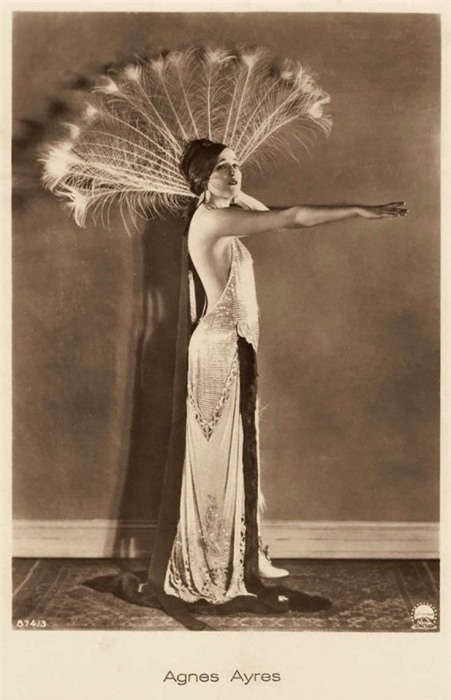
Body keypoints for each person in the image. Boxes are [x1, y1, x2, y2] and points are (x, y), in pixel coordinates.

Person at [139, 138, 407, 623]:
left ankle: (239, 556)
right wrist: (358, 211)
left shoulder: (217, 210)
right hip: (218, 352)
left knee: (238, 456)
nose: (234, 173)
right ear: (200, 179)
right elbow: (291, 217)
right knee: (216, 463)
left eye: (237, 165)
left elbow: (260, 210)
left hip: (233, 347)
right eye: (222, 168)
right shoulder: (213, 220)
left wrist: (230, 189)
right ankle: (210, 568)